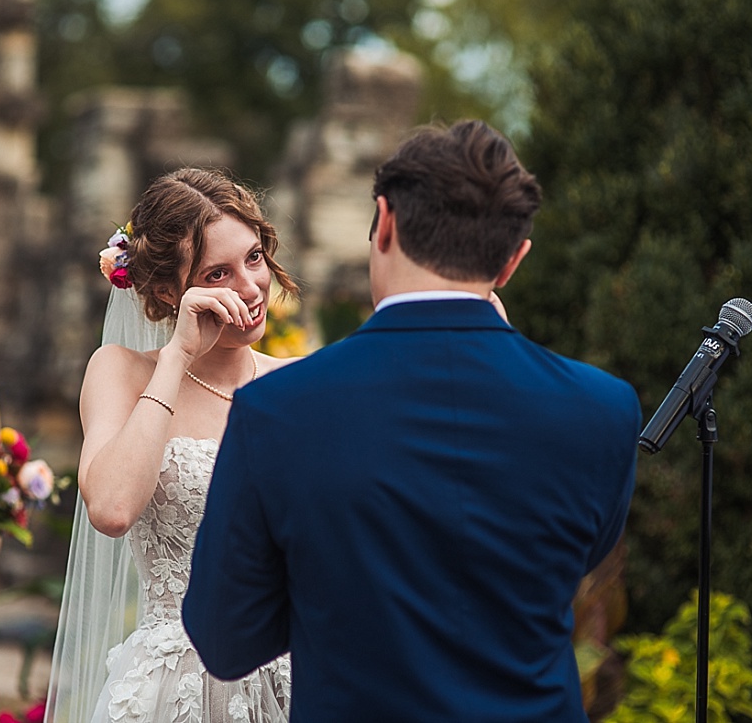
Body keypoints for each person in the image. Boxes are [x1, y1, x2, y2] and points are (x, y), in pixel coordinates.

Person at [183, 120, 642, 722]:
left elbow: (226, 638)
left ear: (386, 221)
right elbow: (573, 564)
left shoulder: (278, 410)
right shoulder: (603, 408)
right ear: (512, 260)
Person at [45, 168, 297, 723]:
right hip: (176, 686)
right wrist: (178, 357)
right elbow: (111, 509)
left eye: (254, 258)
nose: (251, 287)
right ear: (166, 291)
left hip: (292, 678)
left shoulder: (302, 383)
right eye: (219, 273)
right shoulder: (120, 371)